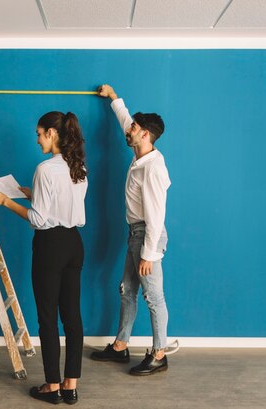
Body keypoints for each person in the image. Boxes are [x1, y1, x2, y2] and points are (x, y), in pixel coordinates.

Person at [0, 111, 87, 405]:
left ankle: (52, 386)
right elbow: (60, 205)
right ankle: (70, 385)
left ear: (52, 134)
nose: (37, 139)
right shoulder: (78, 166)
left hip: (50, 246)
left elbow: (38, 219)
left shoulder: (44, 169)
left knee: (47, 317)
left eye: (39, 133)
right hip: (74, 243)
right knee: (72, 316)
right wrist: (32, 194)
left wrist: (6, 201)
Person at [91, 84, 171, 376]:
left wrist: (148, 254)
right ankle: (121, 346)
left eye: (134, 128)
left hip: (147, 236)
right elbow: (126, 121)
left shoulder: (153, 168)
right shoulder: (140, 151)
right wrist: (114, 99)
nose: (129, 130)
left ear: (145, 135)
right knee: (127, 291)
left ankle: (159, 353)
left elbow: (156, 216)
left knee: (153, 297)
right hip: (135, 235)